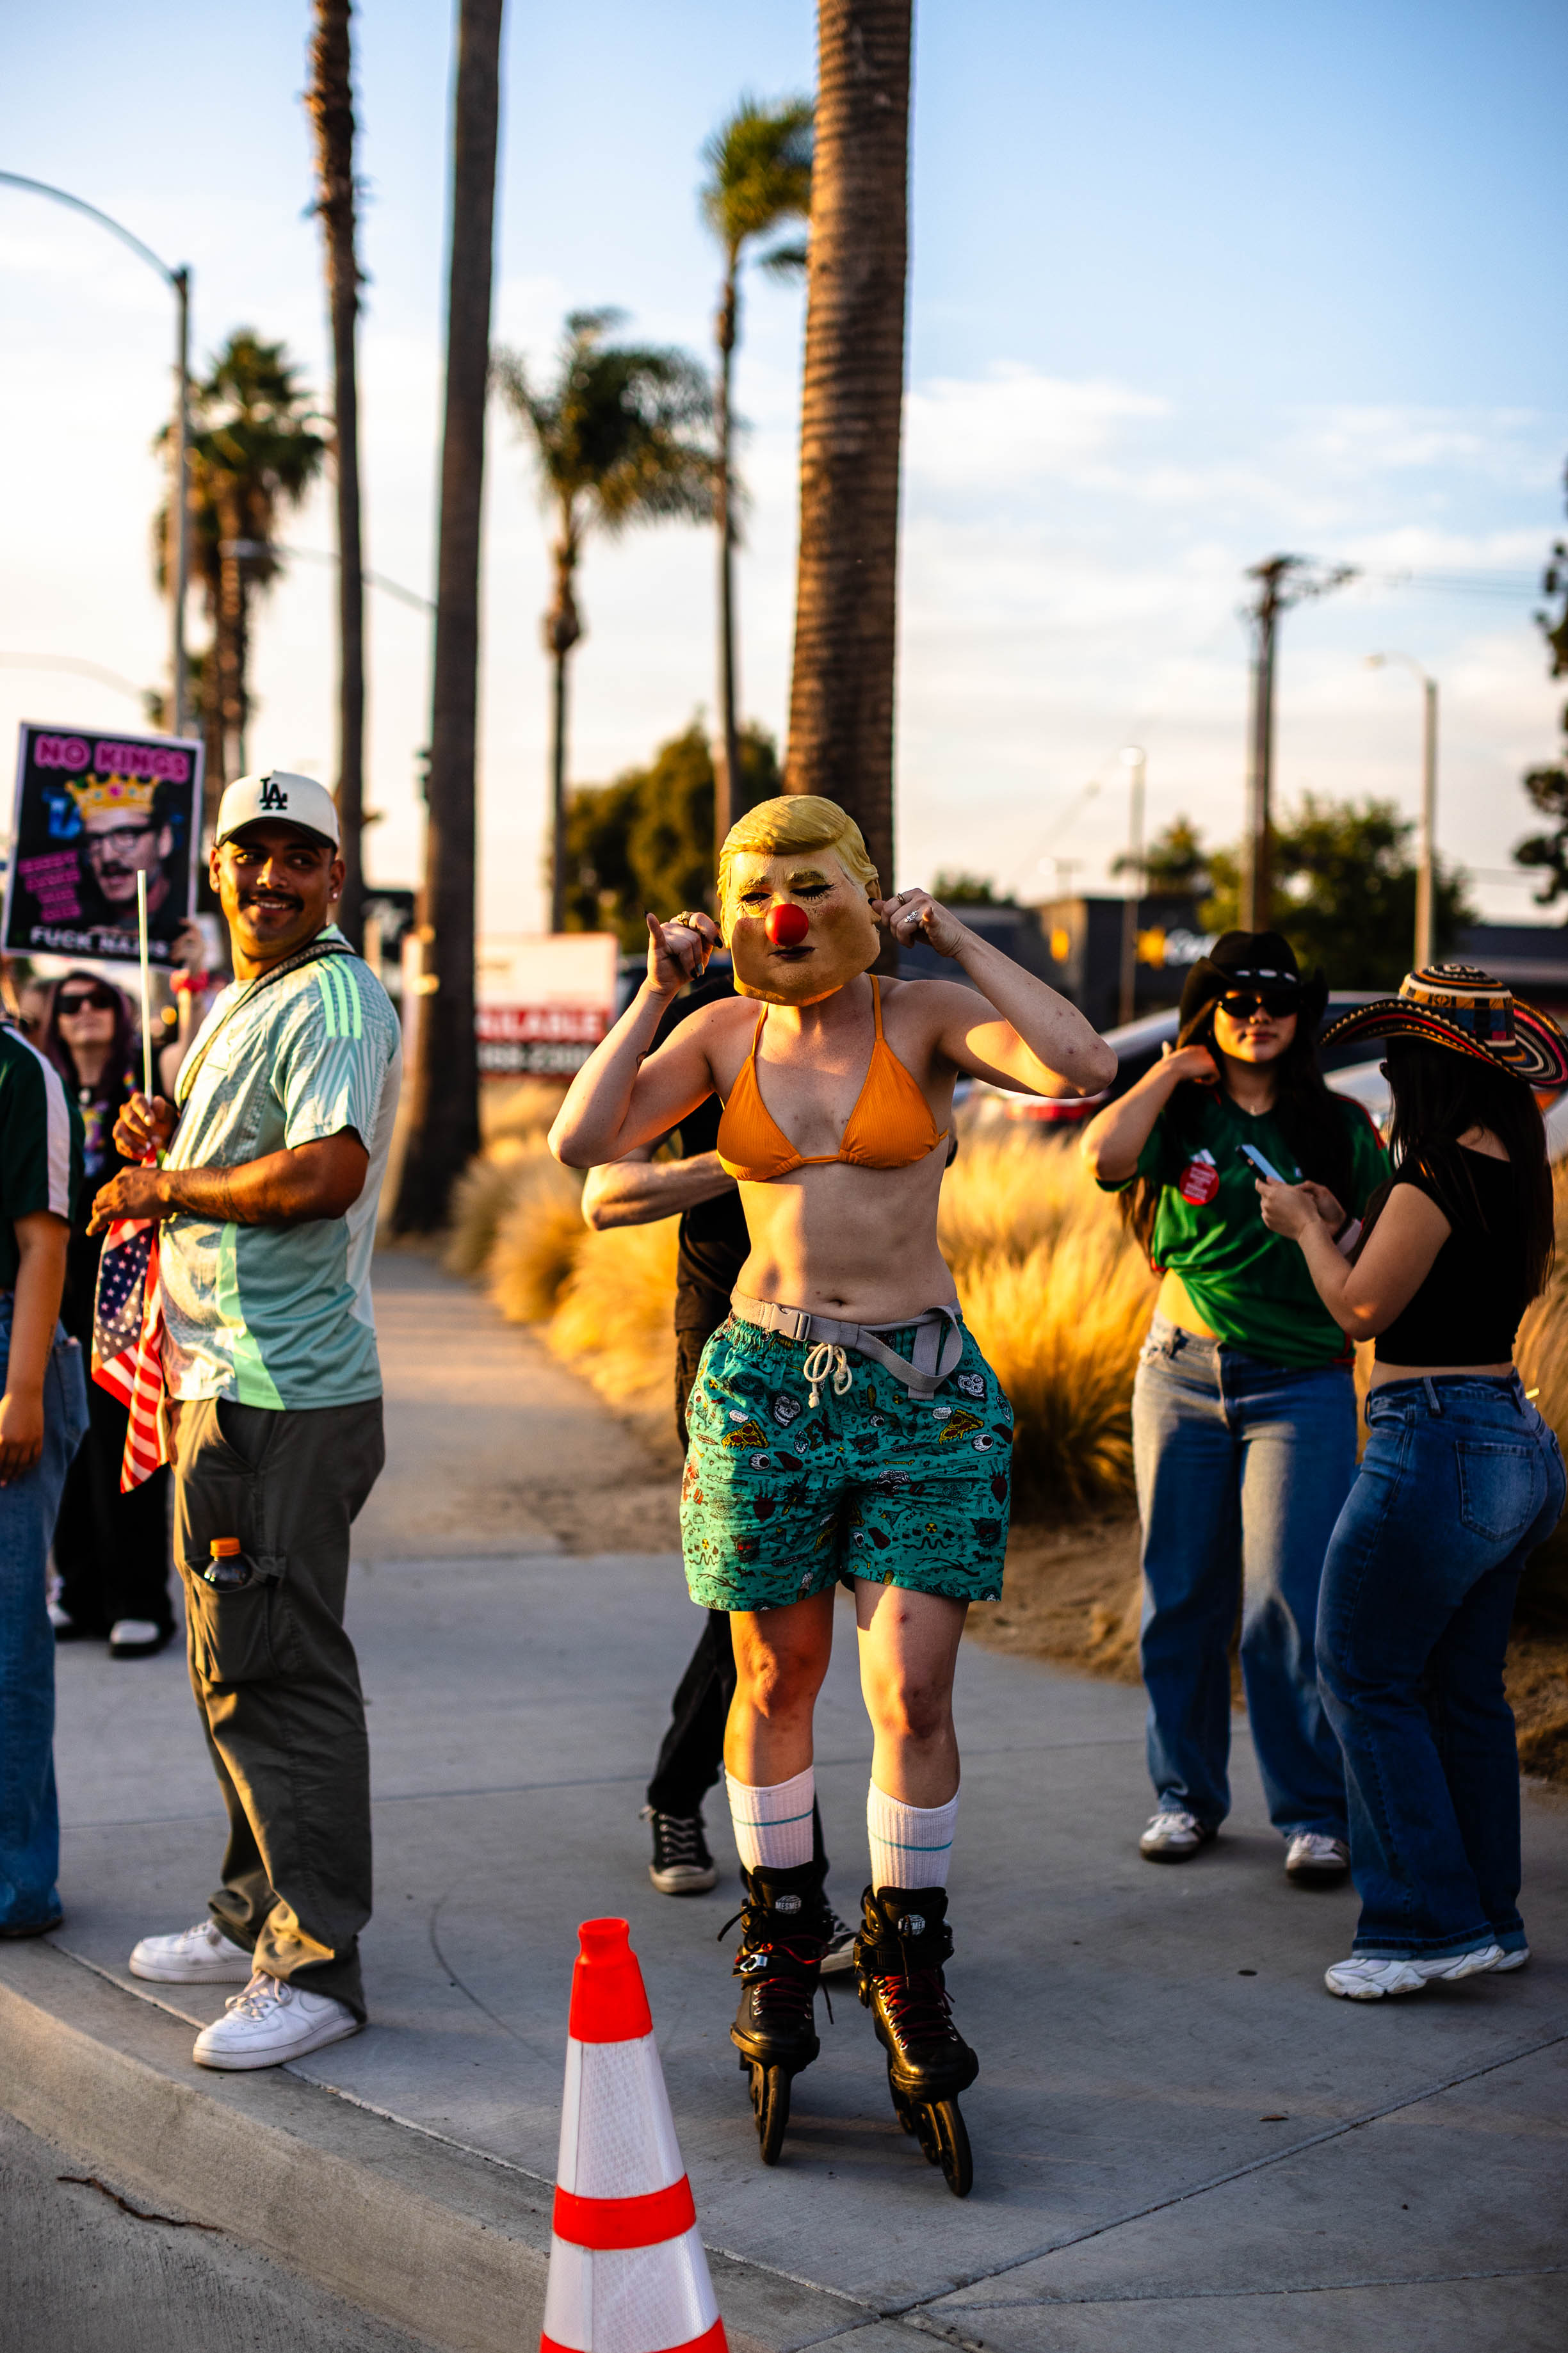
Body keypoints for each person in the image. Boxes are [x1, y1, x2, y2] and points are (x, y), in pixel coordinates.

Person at [551, 795, 1115, 2181]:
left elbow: (1083, 1061)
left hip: (924, 1391)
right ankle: (781, 1938)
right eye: (755, 892)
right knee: (772, 1675)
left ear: (863, 890)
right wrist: (658, 987)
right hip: (765, 1382)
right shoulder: (721, 1032)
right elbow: (583, 1142)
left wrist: (957, 938)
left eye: (807, 884)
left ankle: (907, 1956)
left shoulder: (922, 1017)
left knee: (910, 1690)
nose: (781, 913)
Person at [90, 770, 401, 2070]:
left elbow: (325, 1172)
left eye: (295, 855)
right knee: (234, 1664)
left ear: (334, 874)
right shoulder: (238, 998)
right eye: (247, 854)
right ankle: (250, 1910)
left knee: (281, 1670)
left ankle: (317, 1963)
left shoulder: (335, 996)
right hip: (219, 1375)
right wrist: (165, 1132)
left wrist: (170, 1184)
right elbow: (235, 1149)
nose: (268, 877)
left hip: (284, 1391)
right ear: (215, 869)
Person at [1257, 964, 1568, 1999]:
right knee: (1462, 1692)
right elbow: (1425, 1286)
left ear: (1431, 1068)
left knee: (1360, 1671)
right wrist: (1344, 1223)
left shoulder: (1430, 1171)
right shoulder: (1509, 1163)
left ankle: (1417, 1927)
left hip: (1432, 1444)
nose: (1387, 1075)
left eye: (1397, 1057)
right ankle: (1486, 1919)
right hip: (1509, 1437)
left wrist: (1306, 1230)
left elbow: (1356, 1310)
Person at [1080, 932, 1387, 1880]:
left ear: (1302, 1015)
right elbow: (1100, 1155)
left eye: (1276, 1002)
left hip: (1301, 1384)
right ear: (1208, 1012)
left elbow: (1381, 1251)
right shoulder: (1179, 1113)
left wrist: (1332, 1225)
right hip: (1177, 1374)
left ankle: (1313, 1813)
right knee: (1179, 1595)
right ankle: (1184, 1796)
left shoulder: (1338, 1124)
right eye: (1236, 1002)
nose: (1258, 1017)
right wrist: (1170, 1068)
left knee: (1285, 1602)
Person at [582, 958, 855, 1970]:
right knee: (756, 1603)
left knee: (815, 1610)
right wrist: (741, 1163)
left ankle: (690, 1790)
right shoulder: (708, 1019)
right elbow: (605, 1192)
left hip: (864, 1350)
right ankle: (780, 1878)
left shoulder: (879, 1016)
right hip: (733, 1345)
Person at [42, 971, 174, 1657]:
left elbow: (185, 1048)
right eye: (71, 1003)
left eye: (100, 1000)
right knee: (63, 1439)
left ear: (120, 1013)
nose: (86, 1011)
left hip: (126, 1293)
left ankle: (140, 1599)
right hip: (54, 1290)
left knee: (125, 1438)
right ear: (55, 1018)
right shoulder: (46, 1089)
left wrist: (189, 975)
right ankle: (79, 1591)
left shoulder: (145, 1086)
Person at [0, 1002, 89, 1937]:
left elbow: (44, 1241)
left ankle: (15, 1882)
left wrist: (22, 1390)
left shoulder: (20, 1069)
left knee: (7, 1634)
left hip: (10, 1354)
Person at [70, 774, 186, 944]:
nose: (107, 856)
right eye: (95, 840)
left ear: (164, 840)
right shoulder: (73, 926)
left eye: (126, 834)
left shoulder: (195, 919)